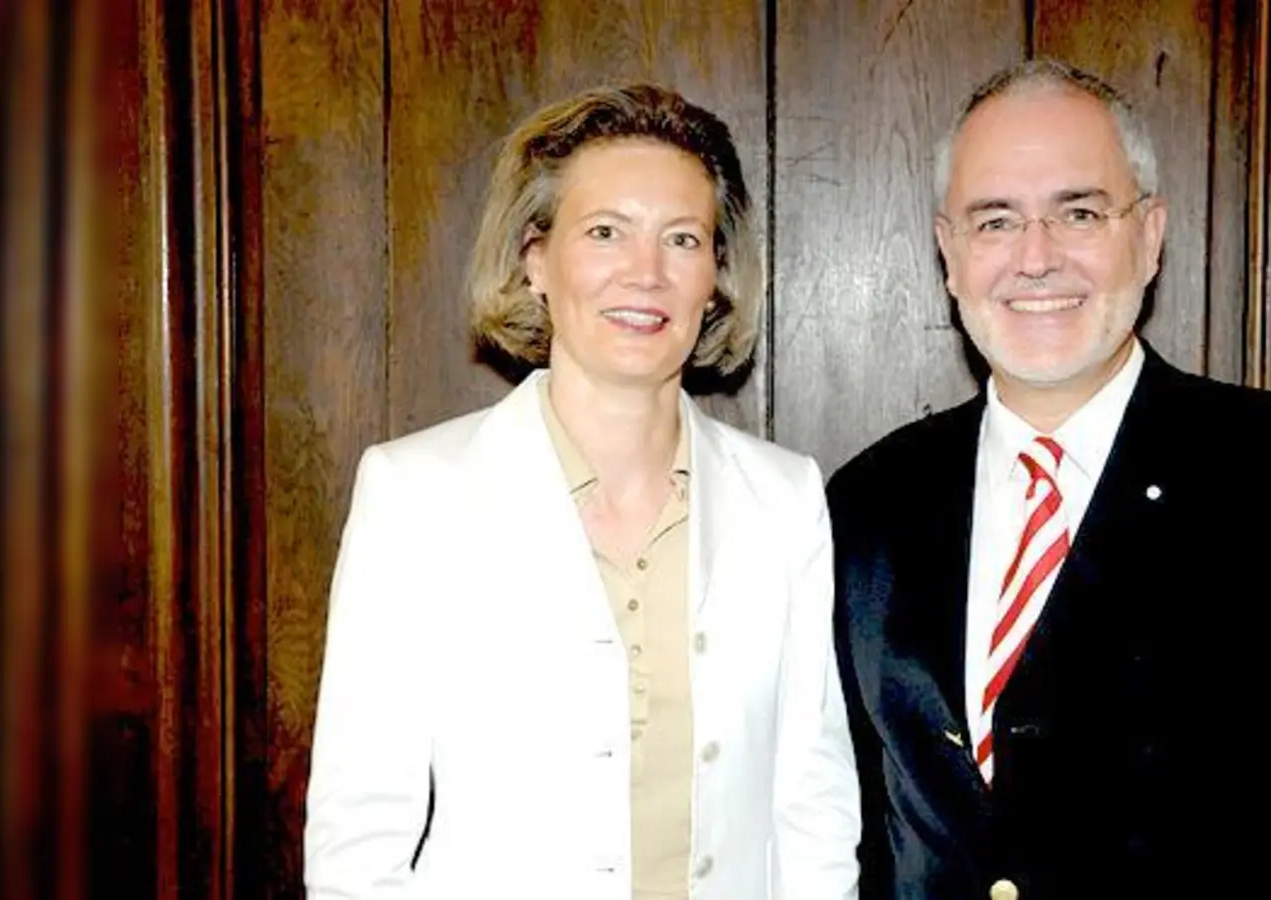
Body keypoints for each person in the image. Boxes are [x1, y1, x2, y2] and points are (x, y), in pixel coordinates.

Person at [827, 60, 1271, 895]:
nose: (1035, 259)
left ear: (1149, 237)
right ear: (949, 253)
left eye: (1079, 212)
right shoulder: (868, 502)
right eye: (995, 221)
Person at [303, 83, 860, 899]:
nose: (646, 274)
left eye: (682, 239)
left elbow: (812, 805)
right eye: (605, 232)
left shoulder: (785, 498)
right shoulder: (415, 496)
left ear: (715, 277)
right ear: (536, 258)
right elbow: (359, 843)